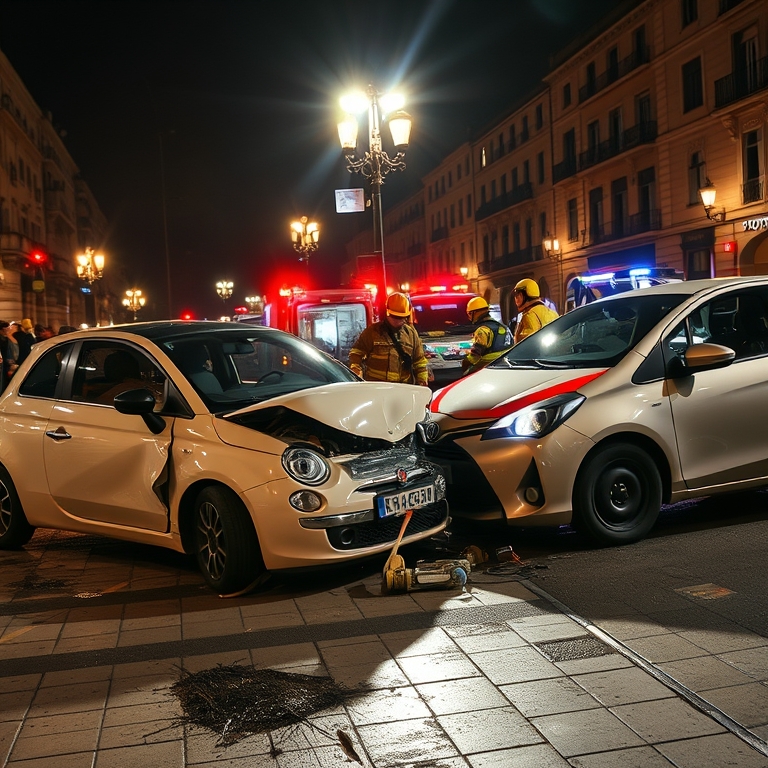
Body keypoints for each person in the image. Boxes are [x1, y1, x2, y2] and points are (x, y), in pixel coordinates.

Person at [348, 292, 429, 385]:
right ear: (388, 314)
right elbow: (356, 353)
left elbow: (419, 362)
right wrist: (356, 370)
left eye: (403, 317)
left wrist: (422, 382)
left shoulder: (411, 334)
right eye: (396, 317)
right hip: (377, 388)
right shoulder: (372, 332)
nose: (400, 321)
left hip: (403, 389)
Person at [461, 296, 512, 376]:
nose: (469, 317)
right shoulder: (503, 327)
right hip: (507, 364)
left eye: (469, 314)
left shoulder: (483, 330)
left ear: (473, 313)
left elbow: (475, 357)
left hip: (489, 367)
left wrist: (466, 361)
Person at [512, 278, 559, 345]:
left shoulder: (529, 315)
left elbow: (526, 345)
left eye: (517, 294)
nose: (515, 298)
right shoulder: (553, 313)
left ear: (525, 295)